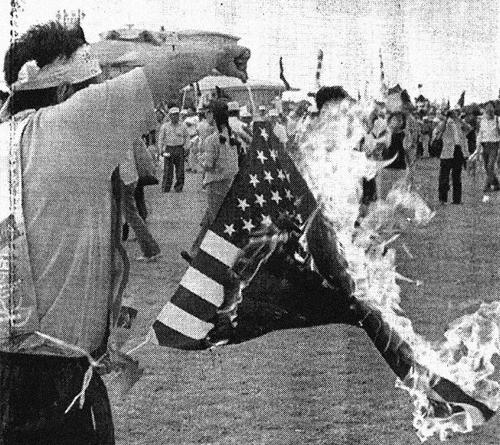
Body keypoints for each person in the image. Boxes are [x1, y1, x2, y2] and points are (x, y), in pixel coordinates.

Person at [0, 20, 249, 444]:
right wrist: (222, 53)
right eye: (90, 85)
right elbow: (169, 67)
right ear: (65, 93)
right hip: (52, 381)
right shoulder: (72, 123)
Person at [435, 110, 469, 204]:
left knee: (457, 176)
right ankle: (442, 199)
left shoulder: (459, 123)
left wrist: (459, 120)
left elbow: (469, 129)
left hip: (458, 150)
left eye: (455, 113)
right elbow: (439, 132)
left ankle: (457, 199)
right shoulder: (444, 123)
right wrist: (446, 119)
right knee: (444, 176)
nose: (454, 114)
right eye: (452, 113)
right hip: (447, 151)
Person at [158, 107, 190, 192]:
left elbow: (187, 137)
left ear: (178, 115)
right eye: (173, 115)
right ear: (170, 116)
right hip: (168, 149)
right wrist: (160, 149)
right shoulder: (165, 126)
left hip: (179, 149)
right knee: (168, 170)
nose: (175, 117)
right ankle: (166, 187)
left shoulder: (183, 126)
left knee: (180, 170)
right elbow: (161, 139)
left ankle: (179, 187)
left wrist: (187, 148)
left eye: (176, 115)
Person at [476, 101, 500, 191]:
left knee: (490, 166)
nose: (489, 109)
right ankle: (497, 184)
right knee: (486, 167)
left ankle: (487, 186)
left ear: (494, 109)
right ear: (485, 109)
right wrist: (477, 147)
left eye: (491, 107)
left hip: (494, 145)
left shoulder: (498, 120)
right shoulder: (481, 121)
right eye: (487, 107)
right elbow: (479, 134)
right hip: (484, 145)